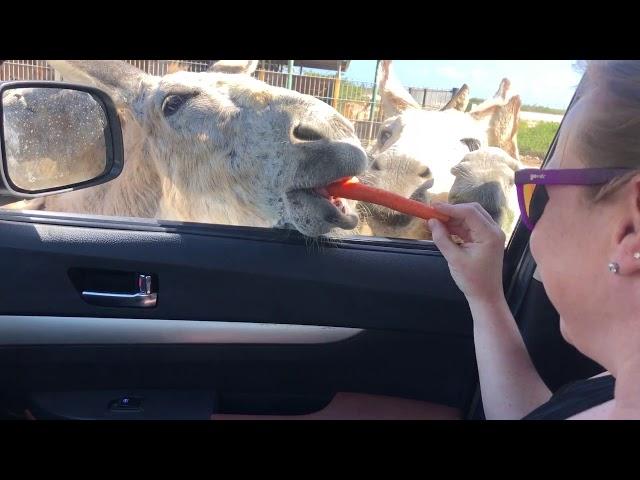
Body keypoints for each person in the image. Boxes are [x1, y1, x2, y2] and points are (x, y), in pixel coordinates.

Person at [427, 60, 640, 419]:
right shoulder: (620, 382)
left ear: (631, 231)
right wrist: (486, 296)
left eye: (542, 192)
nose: (535, 225)